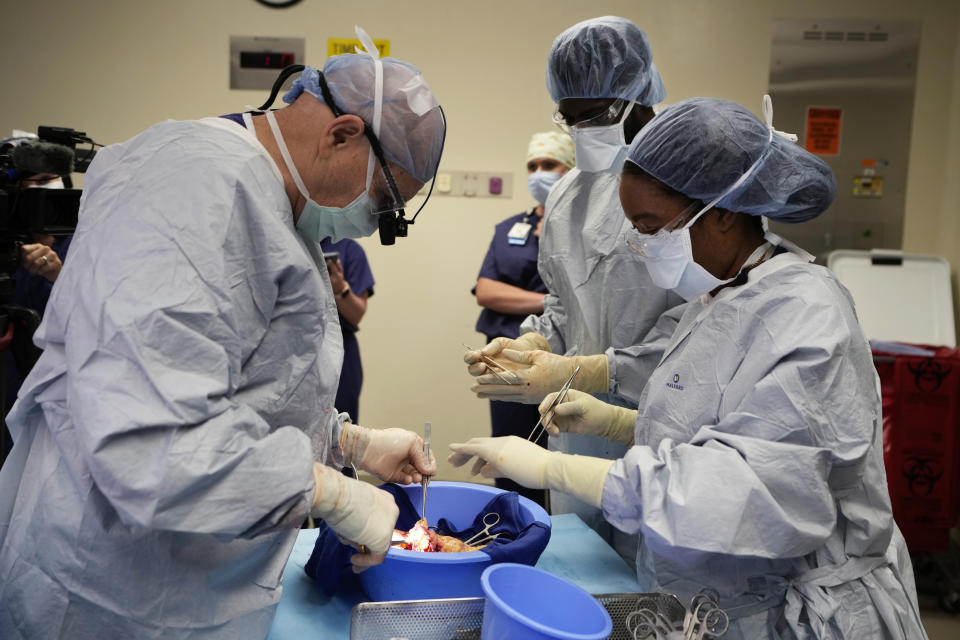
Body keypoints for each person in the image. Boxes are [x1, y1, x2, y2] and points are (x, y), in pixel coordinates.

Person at [0, 32, 444, 639]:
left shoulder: (271, 200)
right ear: (341, 134)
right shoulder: (198, 188)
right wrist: (335, 494)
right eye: (383, 202)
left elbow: (244, 380)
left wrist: (350, 444)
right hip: (110, 590)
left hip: (181, 578)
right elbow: (155, 440)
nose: (372, 225)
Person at [450, 96, 928, 639]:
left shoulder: (804, 313)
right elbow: (722, 432)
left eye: (651, 227)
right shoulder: (719, 298)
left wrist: (550, 469)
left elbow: (748, 491)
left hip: (800, 615)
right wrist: (615, 423)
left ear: (720, 213)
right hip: (724, 602)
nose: (641, 245)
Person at [464, 16, 683, 554]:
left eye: (597, 114)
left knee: (660, 594)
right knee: (584, 574)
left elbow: (707, 323)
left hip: (664, 429)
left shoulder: (687, 185)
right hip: (578, 428)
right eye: (572, 117)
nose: (584, 128)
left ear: (640, 92)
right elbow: (562, 302)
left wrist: (594, 371)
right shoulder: (565, 198)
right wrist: (533, 345)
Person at [471, 131, 574, 507]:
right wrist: (549, 301)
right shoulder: (511, 228)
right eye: (533, 166)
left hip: (564, 356)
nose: (539, 173)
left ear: (571, 170)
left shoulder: (581, 232)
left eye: (550, 165)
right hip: (507, 356)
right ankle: (514, 530)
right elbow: (486, 291)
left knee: (562, 459)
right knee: (513, 455)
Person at [320, 237, 374, 423]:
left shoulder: (349, 250)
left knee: (342, 439)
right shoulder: (290, 242)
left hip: (340, 356)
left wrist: (340, 288)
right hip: (298, 351)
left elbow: (356, 314)